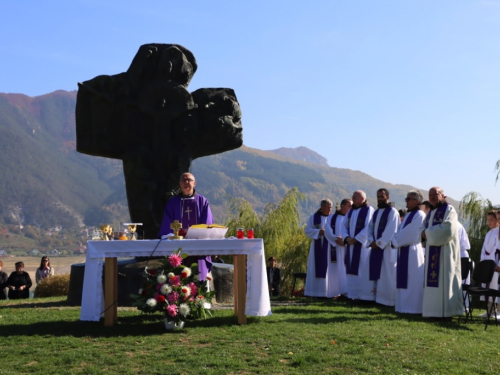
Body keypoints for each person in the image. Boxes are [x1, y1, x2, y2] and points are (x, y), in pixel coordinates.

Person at [158, 172, 213, 281]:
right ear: (179, 183)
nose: (186, 182)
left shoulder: (202, 202)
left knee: (199, 275)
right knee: (177, 276)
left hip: (198, 244)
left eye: (189, 180)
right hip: (178, 245)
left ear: (194, 183)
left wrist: (199, 234)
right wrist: (171, 236)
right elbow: (167, 222)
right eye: (183, 180)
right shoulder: (173, 203)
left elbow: (207, 223)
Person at [420, 187, 463, 318]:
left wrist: (427, 233)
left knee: (445, 280)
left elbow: (448, 229)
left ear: (442, 195)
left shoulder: (448, 210)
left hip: (445, 254)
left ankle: (445, 313)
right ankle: (432, 312)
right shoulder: (431, 213)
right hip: (432, 251)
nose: (432, 197)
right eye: (430, 195)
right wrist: (423, 233)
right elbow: (423, 229)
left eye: (436, 194)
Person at [392, 190, 426, 314]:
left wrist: (395, 241)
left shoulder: (420, 215)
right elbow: (400, 230)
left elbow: (411, 233)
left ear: (417, 201)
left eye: (409, 199)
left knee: (412, 280)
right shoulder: (408, 215)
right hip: (403, 250)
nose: (406, 201)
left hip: (412, 251)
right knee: (404, 279)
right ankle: (402, 306)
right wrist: (395, 238)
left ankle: (413, 308)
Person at [367, 188, 399, 306]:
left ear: (388, 197)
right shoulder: (375, 213)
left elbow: (391, 230)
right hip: (376, 247)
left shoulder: (392, 212)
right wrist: (371, 241)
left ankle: (388, 300)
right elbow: (369, 229)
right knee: (378, 272)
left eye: (382, 196)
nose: (380, 199)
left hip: (387, 249)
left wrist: (379, 243)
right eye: (378, 196)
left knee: (387, 273)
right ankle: (377, 297)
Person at [341, 190, 374, 301]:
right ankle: (351, 294)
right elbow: (343, 226)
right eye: (353, 196)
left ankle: (362, 295)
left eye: (355, 197)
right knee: (351, 269)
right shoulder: (351, 212)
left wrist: (357, 239)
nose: (353, 199)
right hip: (350, 246)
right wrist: (346, 238)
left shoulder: (369, 210)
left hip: (362, 247)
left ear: (362, 199)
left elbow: (369, 226)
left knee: (362, 268)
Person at [304, 199, 335, 297]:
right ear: (322, 207)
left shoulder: (334, 218)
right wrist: (318, 232)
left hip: (330, 247)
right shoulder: (314, 217)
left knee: (329, 268)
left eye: (331, 207)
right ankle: (314, 292)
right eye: (328, 207)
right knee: (315, 267)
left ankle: (328, 292)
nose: (330, 209)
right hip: (316, 247)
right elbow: (307, 230)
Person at [324, 198, 352, 298]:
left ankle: (347, 292)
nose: (351, 208)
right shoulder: (331, 218)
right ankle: (335, 292)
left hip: (347, 247)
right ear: (343, 206)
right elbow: (327, 230)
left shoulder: (352, 217)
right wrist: (336, 239)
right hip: (335, 248)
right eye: (349, 206)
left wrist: (346, 240)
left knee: (345, 269)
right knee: (335, 270)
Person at [477, 210, 500, 318]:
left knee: (495, 287)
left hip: (494, 263)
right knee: (488, 287)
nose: (489, 222)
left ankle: (497, 311)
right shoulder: (488, 233)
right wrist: (482, 262)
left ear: (497, 220)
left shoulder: (498, 232)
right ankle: (489, 310)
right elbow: (484, 249)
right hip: (487, 263)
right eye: (488, 220)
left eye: (492, 220)